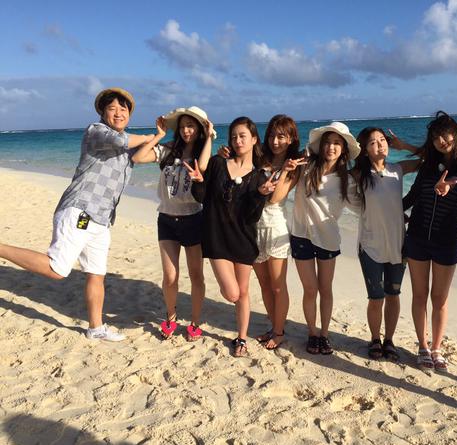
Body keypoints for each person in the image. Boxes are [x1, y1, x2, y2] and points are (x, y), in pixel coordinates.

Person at [0, 88, 154, 341]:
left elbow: (145, 154)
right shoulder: (97, 131)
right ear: (102, 112)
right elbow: (123, 142)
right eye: (112, 109)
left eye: (123, 109)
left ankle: (96, 328)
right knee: (57, 269)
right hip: (81, 210)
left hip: (102, 219)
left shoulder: (127, 147)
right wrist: (151, 135)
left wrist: (169, 137)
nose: (118, 113)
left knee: (96, 274)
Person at [186, 116, 275, 357]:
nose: (238, 141)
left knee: (243, 292)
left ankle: (242, 338)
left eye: (243, 136)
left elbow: (252, 216)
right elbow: (201, 197)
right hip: (216, 238)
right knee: (232, 293)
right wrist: (198, 181)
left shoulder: (260, 177)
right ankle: (240, 335)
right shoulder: (217, 163)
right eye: (234, 136)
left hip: (243, 240)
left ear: (254, 139)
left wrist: (260, 195)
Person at [401, 112, 457, 372]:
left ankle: (436, 348)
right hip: (417, 236)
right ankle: (423, 346)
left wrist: (450, 184)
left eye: (445, 134)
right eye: (435, 137)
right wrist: (391, 211)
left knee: (440, 298)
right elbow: (412, 196)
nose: (441, 140)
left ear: (456, 135)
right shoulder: (427, 166)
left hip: (446, 239)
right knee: (419, 294)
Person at [270, 121, 360, 355]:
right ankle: (312, 333)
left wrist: (393, 212)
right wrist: (289, 167)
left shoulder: (347, 180)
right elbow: (282, 176)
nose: (331, 147)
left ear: (343, 149)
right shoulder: (306, 167)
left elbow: (362, 207)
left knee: (325, 289)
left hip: (328, 239)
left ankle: (324, 334)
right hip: (301, 236)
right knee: (310, 290)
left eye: (337, 143)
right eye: (327, 142)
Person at [131, 106, 215, 341]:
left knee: (196, 275)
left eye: (191, 126)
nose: (187, 131)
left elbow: (203, 167)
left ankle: (195, 323)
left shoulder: (203, 153)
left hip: (193, 218)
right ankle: (170, 317)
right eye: (183, 126)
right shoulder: (169, 150)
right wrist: (159, 135)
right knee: (170, 276)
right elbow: (137, 157)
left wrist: (209, 137)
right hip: (166, 218)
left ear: (199, 129)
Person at [218, 115, 300, 350]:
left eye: (281, 136)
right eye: (272, 135)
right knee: (264, 284)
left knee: (278, 286)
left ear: (291, 139)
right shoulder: (260, 158)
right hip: (251, 227)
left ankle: (279, 331)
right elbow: (239, 165)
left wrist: (284, 172)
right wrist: (225, 153)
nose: (275, 141)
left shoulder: (294, 167)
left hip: (275, 228)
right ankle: (274, 326)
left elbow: (274, 198)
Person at [352, 127, 420, 360]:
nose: (380, 144)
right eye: (373, 142)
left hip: (397, 243)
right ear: (364, 150)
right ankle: (374, 338)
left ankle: (389, 340)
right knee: (376, 298)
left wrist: (405, 146)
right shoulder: (359, 175)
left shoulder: (398, 169)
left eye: (382, 140)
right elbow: (333, 175)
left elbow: (430, 159)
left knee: (393, 294)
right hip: (370, 244)